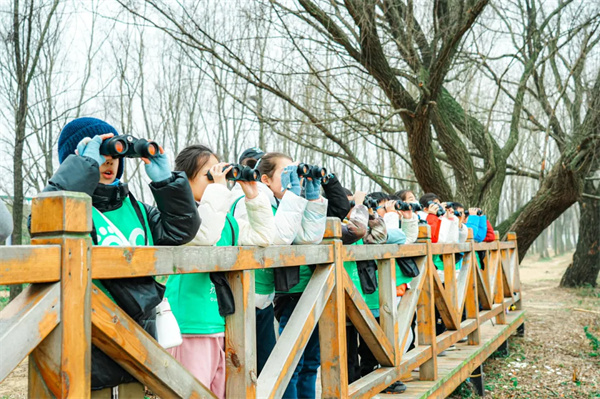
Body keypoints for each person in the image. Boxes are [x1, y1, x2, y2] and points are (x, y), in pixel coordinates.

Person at [42, 117, 200, 391]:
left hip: (137, 347)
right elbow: (45, 218)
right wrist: (83, 170)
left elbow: (181, 229)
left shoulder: (135, 208)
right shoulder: (65, 204)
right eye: (99, 153)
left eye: (114, 153)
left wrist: (167, 183)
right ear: (74, 160)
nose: (109, 161)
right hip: (85, 347)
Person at [165, 145, 274, 398]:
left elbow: (263, 236)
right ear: (184, 181)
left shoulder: (226, 222)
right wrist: (218, 189)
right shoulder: (177, 219)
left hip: (223, 325)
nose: (218, 181)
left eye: (220, 175)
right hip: (188, 329)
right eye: (209, 176)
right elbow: (204, 235)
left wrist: (253, 196)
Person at [257, 152, 327, 399]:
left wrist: (313, 198)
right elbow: (279, 239)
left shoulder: (287, 202)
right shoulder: (259, 200)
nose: (293, 178)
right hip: (277, 295)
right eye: (286, 173)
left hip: (304, 292)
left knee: (309, 362)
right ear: (265, 179)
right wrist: (294, 196)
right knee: (290, 364)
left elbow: (309, 238)